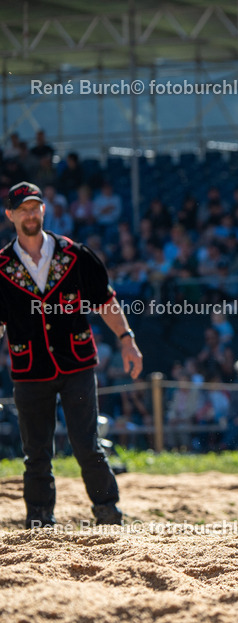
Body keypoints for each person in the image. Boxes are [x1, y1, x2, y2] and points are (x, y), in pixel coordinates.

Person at [0, 182, 143, 529]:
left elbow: (106, 301)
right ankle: (39, 519)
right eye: (23, 210)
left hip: (76, 364)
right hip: (30, 370)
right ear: (10, 216)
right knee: (36, 454)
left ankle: (108, 511)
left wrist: (126, 339)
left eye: (35, 207)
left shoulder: (75, 255)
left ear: (43, 211)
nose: (30, 214)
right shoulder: (1, 267)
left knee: (87, 445)